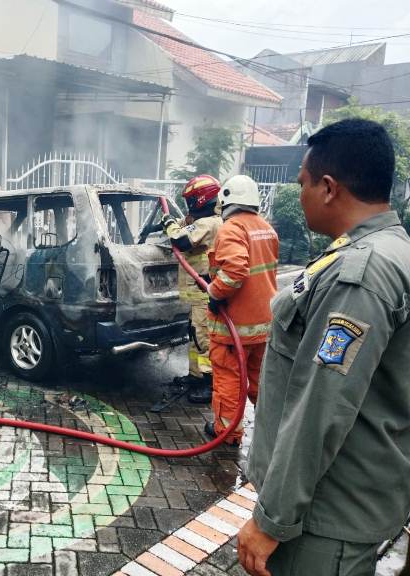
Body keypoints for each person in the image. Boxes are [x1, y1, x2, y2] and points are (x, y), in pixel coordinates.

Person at [238, 118, 410, 576]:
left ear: (329, 188)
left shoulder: (362, 273)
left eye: (303, 184)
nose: (300, 194)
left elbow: (322, 402)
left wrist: (271, 518)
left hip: (322, 519)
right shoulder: (386, 249)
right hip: (339, 503)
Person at [205, 174, 279, 445]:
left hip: (234, 326)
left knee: (229, 380)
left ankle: (228, 433)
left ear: (226, 200)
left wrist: (214, 293)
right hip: (264, 324)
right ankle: (273, 427)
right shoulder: (266, 228)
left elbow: (235, 271)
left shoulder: (232, 228)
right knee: (261, 381)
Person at [160, 175, 223, 403]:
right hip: (199, 294)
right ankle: (196, 376)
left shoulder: (209, 223)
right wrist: (180, 222)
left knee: (204, 339)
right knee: (196, 337)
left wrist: (169, 223)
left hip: (203, 293)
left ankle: (209, 384)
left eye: (190, 200)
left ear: (200, 200)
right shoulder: (207, 222)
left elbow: (182, 241)